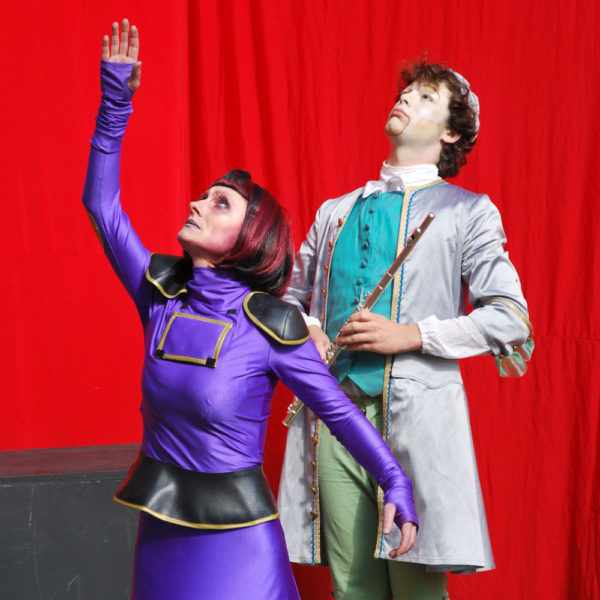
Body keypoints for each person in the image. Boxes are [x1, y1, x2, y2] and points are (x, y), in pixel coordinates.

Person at [82, 19, 419, 600]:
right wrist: (116, 102)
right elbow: (101, 204)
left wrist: (395, 480)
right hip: (160, 533)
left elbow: (339, 414)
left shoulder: (271, 327)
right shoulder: (160, 294)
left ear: (250, 237)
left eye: (220, 203)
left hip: (238, 548)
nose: (197, 203)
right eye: (204, 195)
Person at [278, 60, 532, 600]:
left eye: (425, 97)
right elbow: (290, 301)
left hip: (420, 423)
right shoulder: (335, 211)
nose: (407, 99)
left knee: (417, 590)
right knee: (351, 590)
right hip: (334, 420)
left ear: (451, 133)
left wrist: (411, 335)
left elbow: (510, 318)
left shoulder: (468, 212)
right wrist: (311, 330)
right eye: (407, 92)